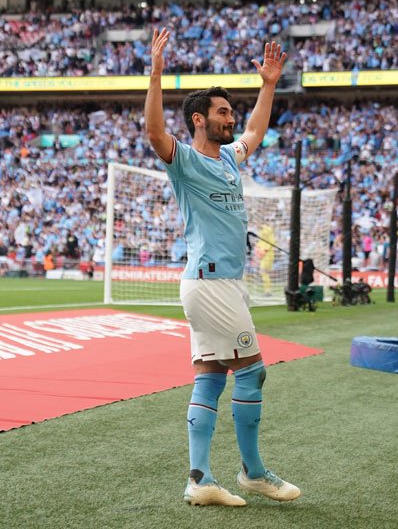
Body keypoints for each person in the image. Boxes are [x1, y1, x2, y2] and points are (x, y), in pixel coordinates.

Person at [143, 28, 300, 507]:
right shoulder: (186, 161)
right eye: (222, 112)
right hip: (210, 282)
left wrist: (268, 85)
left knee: (211, 375)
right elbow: (153, 133)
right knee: (251, 372)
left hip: (222, 282)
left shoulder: (232, 158)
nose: (231, 119)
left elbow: (255, 132)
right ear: (199, 119)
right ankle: (253, 473)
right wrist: (155, 74)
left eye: (231, 111)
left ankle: (200, 479)